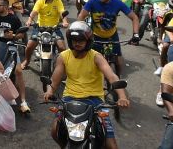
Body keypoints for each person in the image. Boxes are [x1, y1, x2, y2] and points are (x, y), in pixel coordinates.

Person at [43, 21, 129, 149]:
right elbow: (55, 79)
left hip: (95, 101)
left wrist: (122, 97)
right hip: (69, 99)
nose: (77, 43)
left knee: (111, 145)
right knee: (55, 130)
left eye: (81, 40)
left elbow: (112, 77)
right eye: (74, 40)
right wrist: (49, 91)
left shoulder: (96, 57)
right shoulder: (63, 56)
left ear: (88, 41)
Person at [77, 0, 140, 78]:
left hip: (112, 37)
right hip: (95, 36)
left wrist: (136, 34)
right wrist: (80, 30)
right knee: (89, 61)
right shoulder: (93, 1)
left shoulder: (118, 3)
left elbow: (134, 18)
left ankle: (118, 79)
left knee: (118, 62)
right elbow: (81, 16)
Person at [0, 0, 30, 114]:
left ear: (5, 6)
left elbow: (21, 34)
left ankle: (23, 102)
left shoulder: (13, 18)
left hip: (10, 46)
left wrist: (14, 36)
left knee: (18, 71)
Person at [21, 0, 69, 70]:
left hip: (54, 28)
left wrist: (65, 22)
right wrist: (29, 20)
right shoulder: (40, 1)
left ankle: (63, 66)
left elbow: (62, 12)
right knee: (29, 46)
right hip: (40, 28)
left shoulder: (57, 1)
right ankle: (27, 61)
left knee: (62, 48)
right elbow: (34, 12)